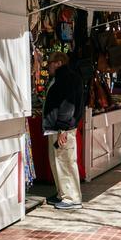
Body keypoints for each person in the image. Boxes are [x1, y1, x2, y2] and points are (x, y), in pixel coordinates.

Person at [42, 52, 85, 210]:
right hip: (58, 128)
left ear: (59, 63)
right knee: (58, 162)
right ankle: (62, 193)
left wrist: (63, 128)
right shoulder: (64, 78)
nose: (49, 65)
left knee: (65, 162)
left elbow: (68, 106)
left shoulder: (66, 79)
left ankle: (72, 198)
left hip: (63, 129)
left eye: (51, 62)